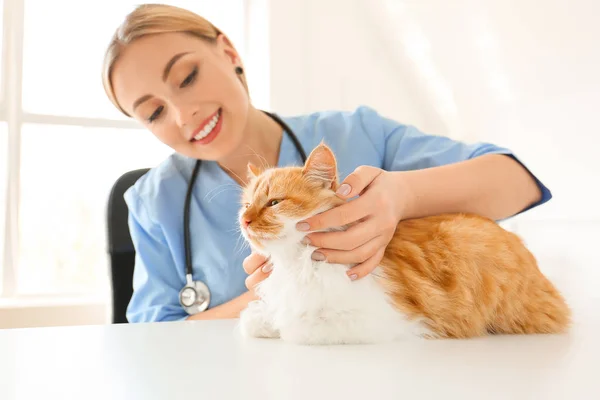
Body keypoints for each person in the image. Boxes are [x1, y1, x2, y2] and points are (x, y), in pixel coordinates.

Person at [102, 4, 551, 323]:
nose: (184, 115)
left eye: (187, 77)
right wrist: (273, 293)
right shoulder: (153, 202)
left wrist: (401, 196)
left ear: (230, 54)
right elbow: (153, 344)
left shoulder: (357, 135)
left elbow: (520, 183)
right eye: (154, 113)